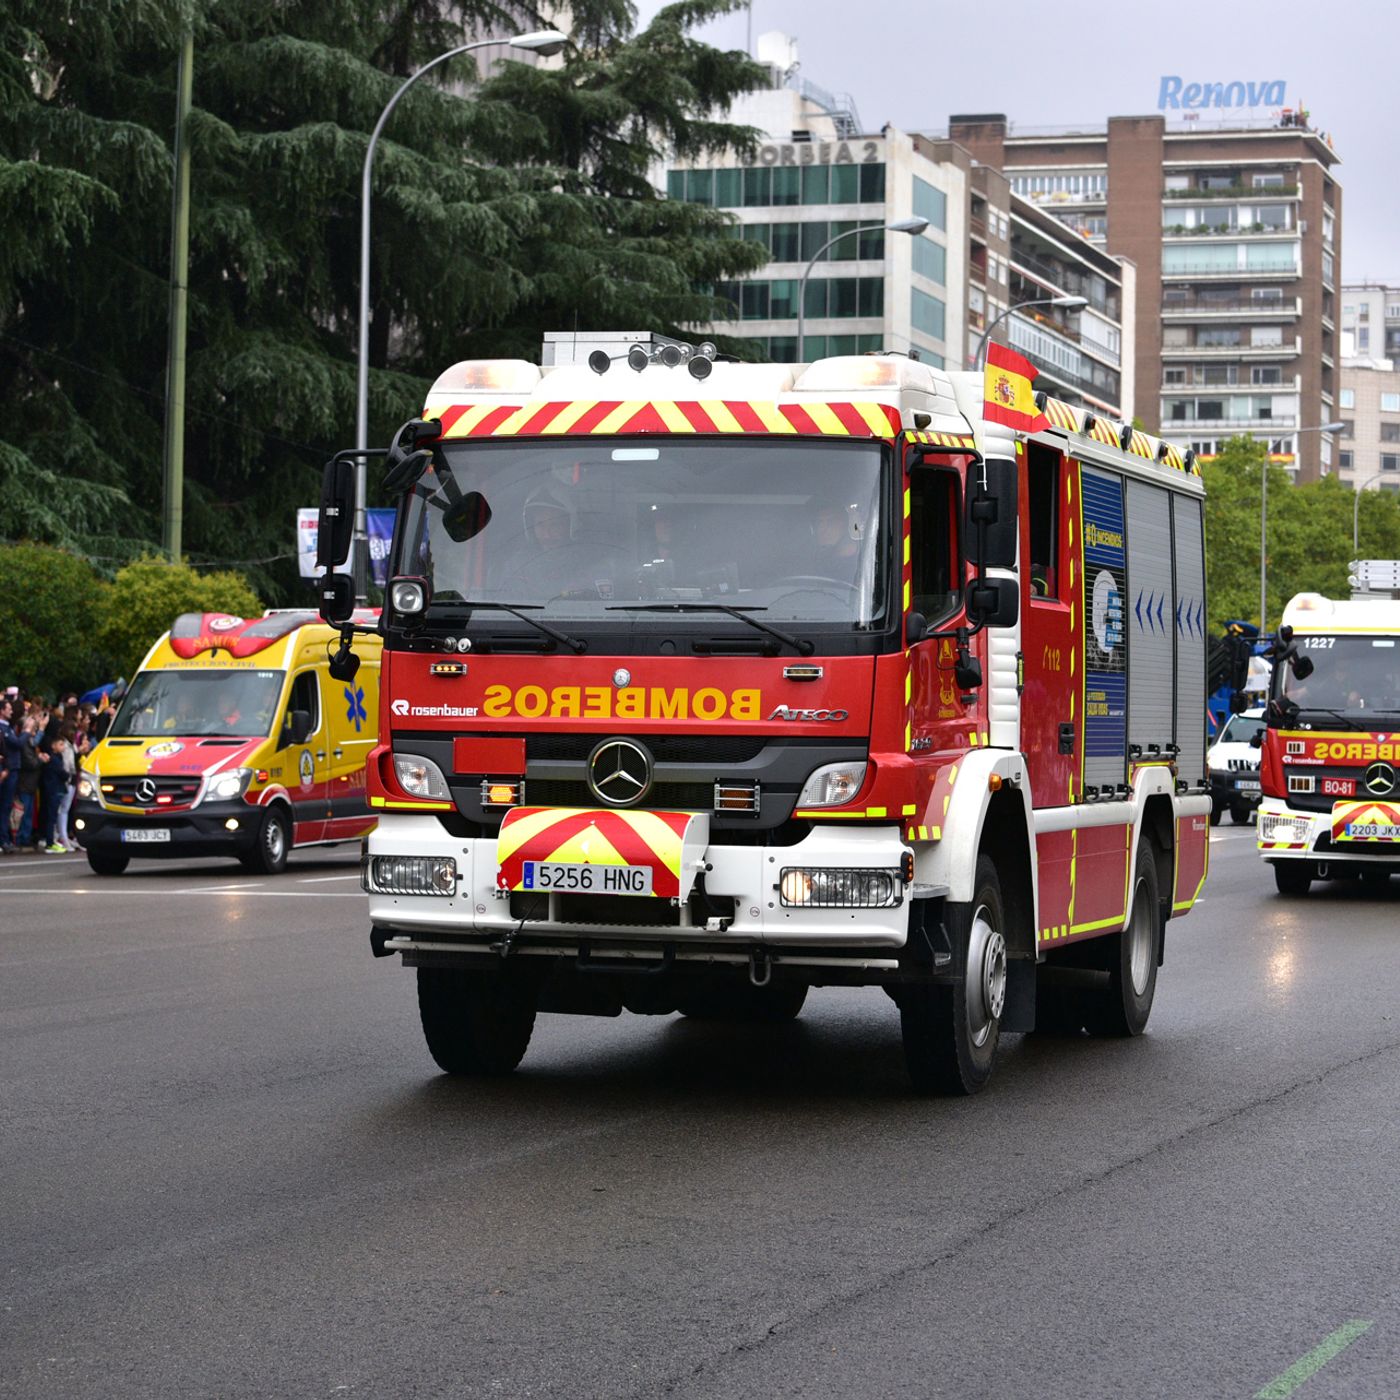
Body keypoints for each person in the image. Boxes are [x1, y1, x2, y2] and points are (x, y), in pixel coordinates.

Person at [0, 697, 19, 854]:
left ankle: (5, 839)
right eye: (8, 708)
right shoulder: (2, 729)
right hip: (6, 771)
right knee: (4, 806)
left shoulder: (8, 727)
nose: (11, 710)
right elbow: (16, 744)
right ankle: (3, 839)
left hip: (7, 770)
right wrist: (27, 731)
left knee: (6, 806)